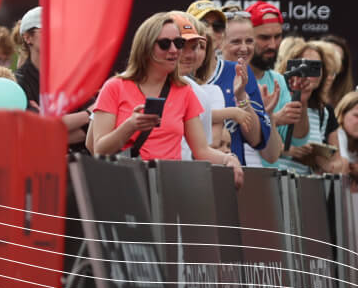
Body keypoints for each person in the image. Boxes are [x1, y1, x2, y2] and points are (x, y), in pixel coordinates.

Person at [87, 12, 243, 185]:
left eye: (178, 43)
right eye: (164, 44)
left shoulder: (185, 91)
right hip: (127, 186)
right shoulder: (115, 87)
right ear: (145, 47)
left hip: (169, 186)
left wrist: (229, 159)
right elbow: (98, 149)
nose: (174, 50)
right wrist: (130, 126)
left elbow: (201, 151)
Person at [8, 7, 90, 144]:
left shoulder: (73, 77)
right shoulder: (19, 81)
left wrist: (50, 132)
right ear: (28, 37)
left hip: (81, 156)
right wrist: (88, 115)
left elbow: (93, 128)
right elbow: (35, 129)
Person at [214, 12, 272, 167]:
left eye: (249, 41)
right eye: (236, 41)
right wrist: (231, 113)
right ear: (220, 41)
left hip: (234, 170)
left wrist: (241, 98)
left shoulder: (246, 75)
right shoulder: (198, 72)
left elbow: (256, 139)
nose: (244, 48)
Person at [275, 40, 340, 175]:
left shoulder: (323, 112)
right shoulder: (274, 98)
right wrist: (286, 149)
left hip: (306, 182)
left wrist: (321, 162)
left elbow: (336, 162)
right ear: (289, 67)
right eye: (301, 65)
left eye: (314, 67)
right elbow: (256, 141)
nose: (306, 73)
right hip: (277, 178)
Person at [170, 12, 226, 159]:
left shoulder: (200, 95)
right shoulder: (125, 84)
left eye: (197, 46)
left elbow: (202, 150)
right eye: (182, 45)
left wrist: (228, 160)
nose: (190, 54)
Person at [245, 2, 293, 168]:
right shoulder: (229, 77)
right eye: (264, 38)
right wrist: (275, 118)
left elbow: (284, 146)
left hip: (271, 175)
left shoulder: (279, 81)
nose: (272, 45)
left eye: (277, 36)